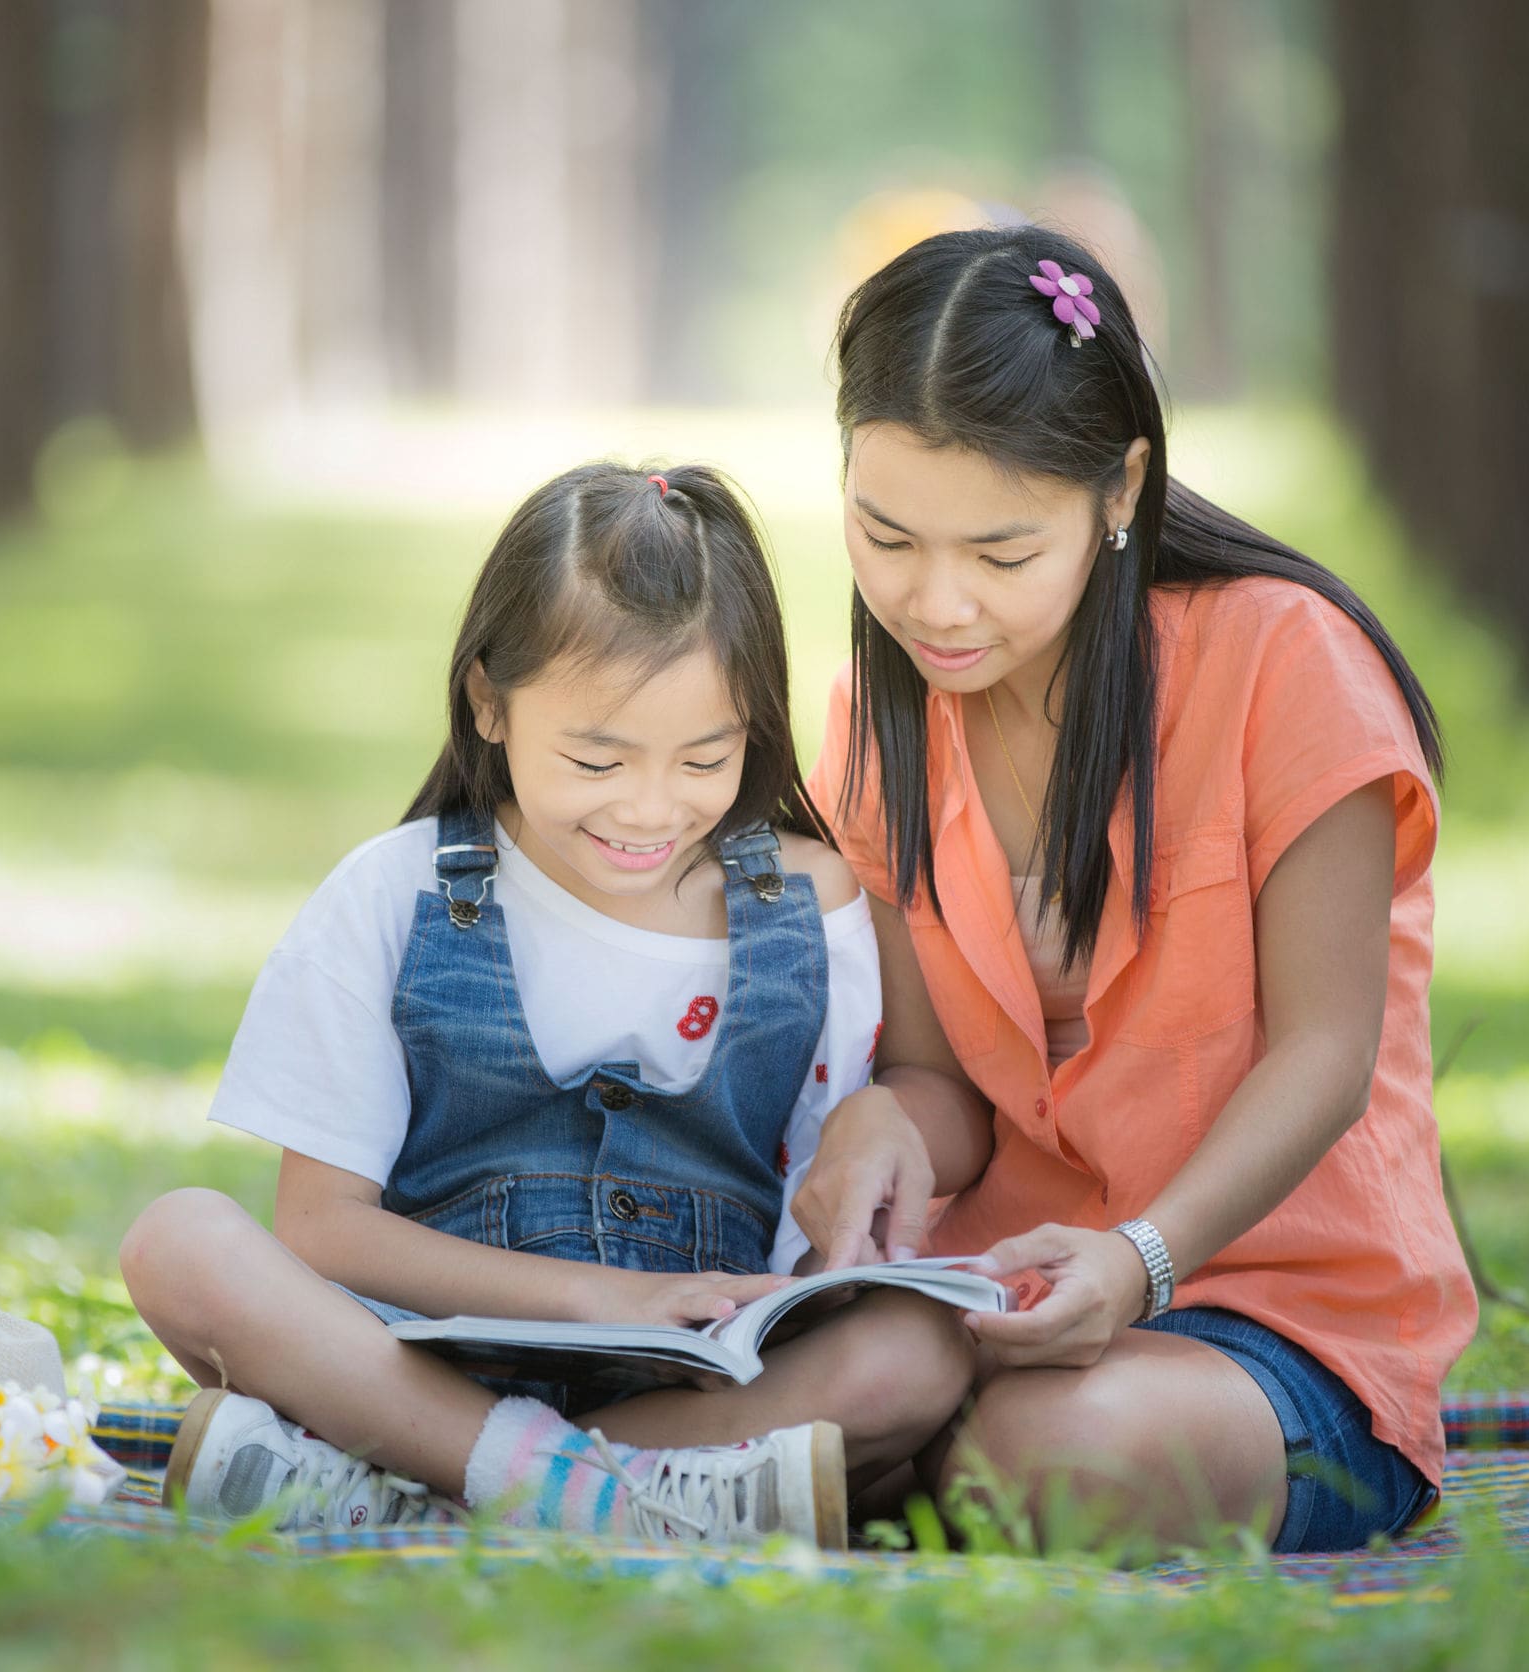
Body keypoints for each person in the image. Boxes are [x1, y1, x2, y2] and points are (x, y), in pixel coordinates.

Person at [119, 461, 974, 1548]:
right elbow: (322, 1228)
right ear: (489, 701)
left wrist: (858, 1188)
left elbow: (919, 1105)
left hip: (694, 1377)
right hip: (415, 1355)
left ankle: (426, 1483)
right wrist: (593, 1297)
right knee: (179, 1240)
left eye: (706, 757)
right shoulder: (401, 893)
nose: (650, 807)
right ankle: (600, 1494)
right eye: (596, 758)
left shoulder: (809, 904)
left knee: (920, 1353)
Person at [793, 227, 1478, 1554]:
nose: (934, 605)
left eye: (1001, 553)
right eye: (886, 537)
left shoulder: (1287, 663)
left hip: (1281, 1313)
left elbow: (1328, 1057)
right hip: (1005, 1294)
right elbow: (951, 1099)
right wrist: (879, 1127)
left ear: (1121, 490)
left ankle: (800, 1472)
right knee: (870, 1388)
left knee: (1055, 1459)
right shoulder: (877, 719)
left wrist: (1141, 1260)